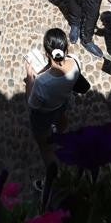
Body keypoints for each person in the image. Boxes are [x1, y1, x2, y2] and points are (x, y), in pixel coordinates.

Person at [25, 28, 84, 198]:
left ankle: (53, 180)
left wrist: (30, 78)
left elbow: (32, 104)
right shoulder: (76, 61)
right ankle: (62, 136)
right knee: (61, 120)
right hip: (62, 103)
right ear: (66, 49)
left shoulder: (42, 82)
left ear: (46, 53)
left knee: (45, 147)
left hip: (43, 115)